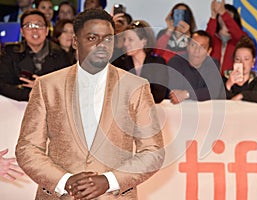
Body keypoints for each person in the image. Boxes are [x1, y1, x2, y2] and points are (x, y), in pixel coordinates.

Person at [16, 8, 164, 200]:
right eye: (92, 38)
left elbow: (153, 151)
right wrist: (64, 182)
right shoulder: (47, 85)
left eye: (108, 39)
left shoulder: (136, 87)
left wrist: (109, 180)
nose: (102, 45)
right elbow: (28, 148)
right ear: (76, 41)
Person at [0, 9, 70, 101]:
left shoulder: (61, 55)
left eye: (39, 25)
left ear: (47, 30)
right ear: (22, 32)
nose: (34, 30)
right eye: (29, 26)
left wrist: (44, 89)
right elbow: (3, 85)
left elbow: (67, 88)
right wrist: (33, 94)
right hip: (17, 108)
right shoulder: (10, 53)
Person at [112, 20, 169, 103]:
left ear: (144, 41)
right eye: (125, 39)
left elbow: (158, 96)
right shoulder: (118, 64)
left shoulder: (158, 63)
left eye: (130, 40)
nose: (125, 43)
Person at [168, 30, 225, 104]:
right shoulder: (176, 61)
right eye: (193, 45)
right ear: (187, 46)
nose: (196, 51)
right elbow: (176, 92)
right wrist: (200, 93)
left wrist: (187, 94)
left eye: (202, 47)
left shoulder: (212, 64)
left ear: (209, 51)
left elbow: (213, 92)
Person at [224, 36, 257, 104]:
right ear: (233, 61)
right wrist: (228, 85)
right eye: (237, 59)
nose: (242, 63)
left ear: (253, 62)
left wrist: (242, 95)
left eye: (246, 59)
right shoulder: (223, 80)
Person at [206, 0, 247, 76]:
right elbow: (205, 41)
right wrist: (213, 16)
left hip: (232, 80)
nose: (224, 16)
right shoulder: (213, 36)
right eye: (222, 14)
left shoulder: (239, 38)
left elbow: (242, 39)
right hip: (210, 79)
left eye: (228, 15)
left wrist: (223, 13)